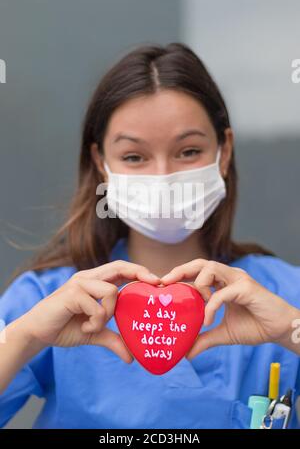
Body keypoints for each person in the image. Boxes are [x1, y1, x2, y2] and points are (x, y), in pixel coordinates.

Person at [0, 43, 299, 429]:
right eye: (134, 157)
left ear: (223, 153)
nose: (163, 178)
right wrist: (23, 338)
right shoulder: (44, 300)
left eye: (188, 151)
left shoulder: (285, 295)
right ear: (101, 164)